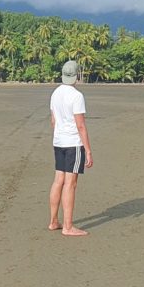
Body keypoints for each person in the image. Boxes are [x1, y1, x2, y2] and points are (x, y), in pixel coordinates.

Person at [48, 60, 94, 236]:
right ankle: (67, 227)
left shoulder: (55, 93)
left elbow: (53, 121)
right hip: (73, 144)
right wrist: (88, 150)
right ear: (76, 76)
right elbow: (80, 125)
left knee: (58, 179)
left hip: (58, 142)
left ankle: (54, 221)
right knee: (70, 183)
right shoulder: (76, 96)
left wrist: (60, 135)